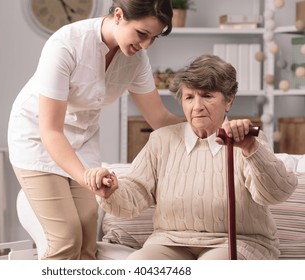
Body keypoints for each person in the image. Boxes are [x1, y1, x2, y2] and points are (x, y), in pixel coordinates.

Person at [7, 0, 180, 260]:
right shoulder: (66, 44)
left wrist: (213, 127)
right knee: (66, 238)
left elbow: (159, 118)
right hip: (39, 140)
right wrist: (85, 176)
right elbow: (51, 130)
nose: (145, 45)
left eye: (153, 38)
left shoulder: (136, 61)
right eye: (142, 34)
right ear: (119, 16)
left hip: (83, 141)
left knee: (88, 243)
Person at [86, 54, 298, 260]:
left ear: (228, 101)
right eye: (189, 97)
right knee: (138, 265)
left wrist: (251, 149)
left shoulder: (248, 138)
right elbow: (136, 192)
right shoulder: (162, 140)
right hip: (170, 240)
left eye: (207, 95)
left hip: (238, 240)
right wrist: (112, 190)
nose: (197, 107)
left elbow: (274, 193)